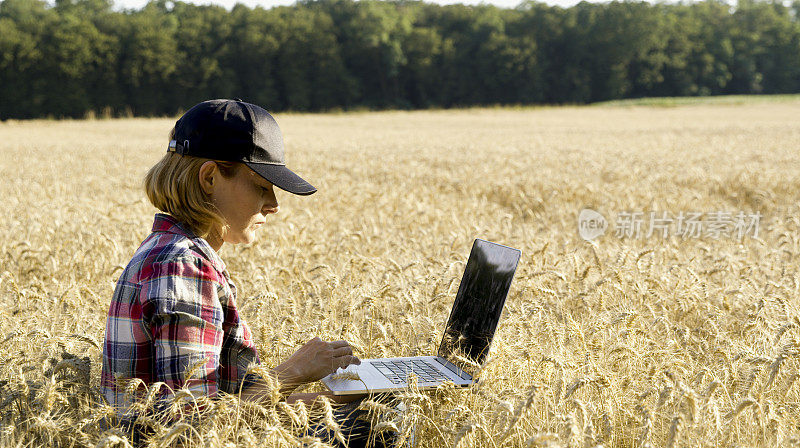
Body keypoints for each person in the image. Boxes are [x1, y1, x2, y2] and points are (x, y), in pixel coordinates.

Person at [100, 99, 385, 446]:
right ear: (209, 177)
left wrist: (319, 402)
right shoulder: (181, 268)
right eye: (261, 185)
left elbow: (215, 409)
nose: (274, 205)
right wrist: (292, 372)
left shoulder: (169, 252)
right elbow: (191, 432)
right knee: (382, 423)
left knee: (370, 409)